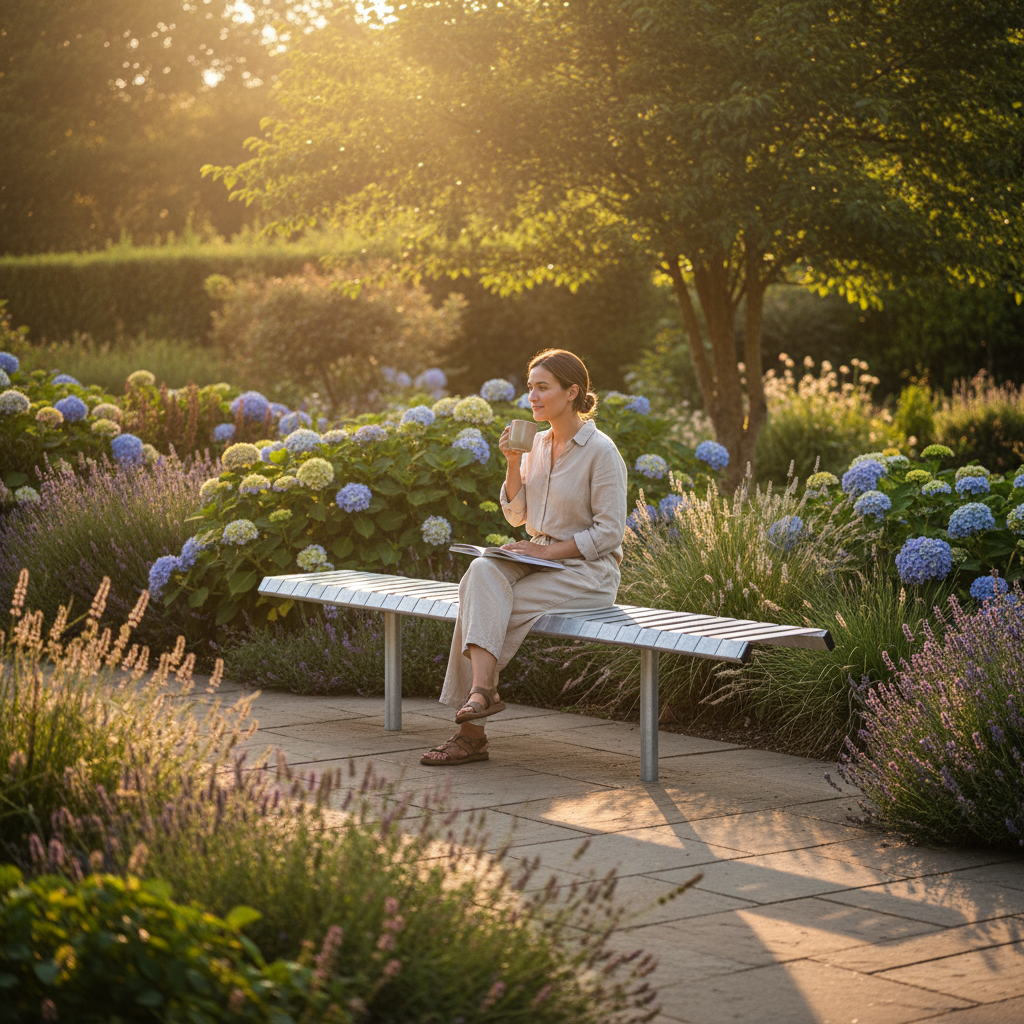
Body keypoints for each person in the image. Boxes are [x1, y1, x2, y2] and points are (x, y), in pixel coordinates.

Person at [420, 348, 628, 765]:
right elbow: (517, 516)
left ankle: (472, 729)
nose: (531, 396)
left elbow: (609, 534)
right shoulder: (535, 444)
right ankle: (483, 694)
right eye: (530, 387)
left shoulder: (601, 451)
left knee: (484, 605)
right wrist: (513, 463)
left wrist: (546, 550)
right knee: (481, 570)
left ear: (572, 393)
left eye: (542, 387)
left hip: (588, 571)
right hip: (540, 556)